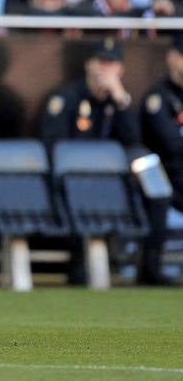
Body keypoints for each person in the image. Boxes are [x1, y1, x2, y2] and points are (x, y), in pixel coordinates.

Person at [39, 37, 141, 285]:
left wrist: (120, 99)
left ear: (121, 70)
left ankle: (145, 264)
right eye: (101, 62)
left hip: (112, 183)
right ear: (89, 64)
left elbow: (133, 141)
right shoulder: (67, 98)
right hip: (76, 181)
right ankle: (80, 265)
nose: (106, 69)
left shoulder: (118, 102)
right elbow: (53, 144)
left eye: (112, 63)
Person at [138, 32, 183, 286]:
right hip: (167, 173)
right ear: (173, 59)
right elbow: (172, 144)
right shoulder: (159, 97)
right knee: (158, 192)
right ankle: (151, 268)